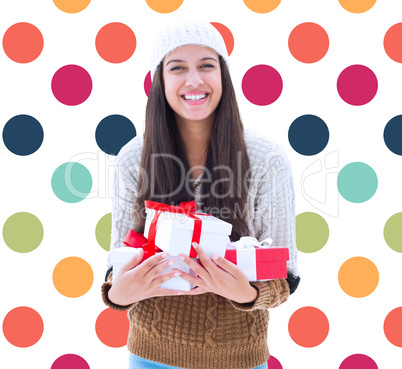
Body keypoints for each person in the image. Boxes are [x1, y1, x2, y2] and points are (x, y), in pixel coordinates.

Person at [101, 17, 300, 369]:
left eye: (206, 65)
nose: (194, 80)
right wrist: (117, 294)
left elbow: (286, 274)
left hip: (240, 358)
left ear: (223, 75)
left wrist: (247, 293)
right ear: (160, 81)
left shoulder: (266, 158)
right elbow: (115, 273)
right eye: (177, 68)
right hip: (149, 357)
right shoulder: (134, 158)